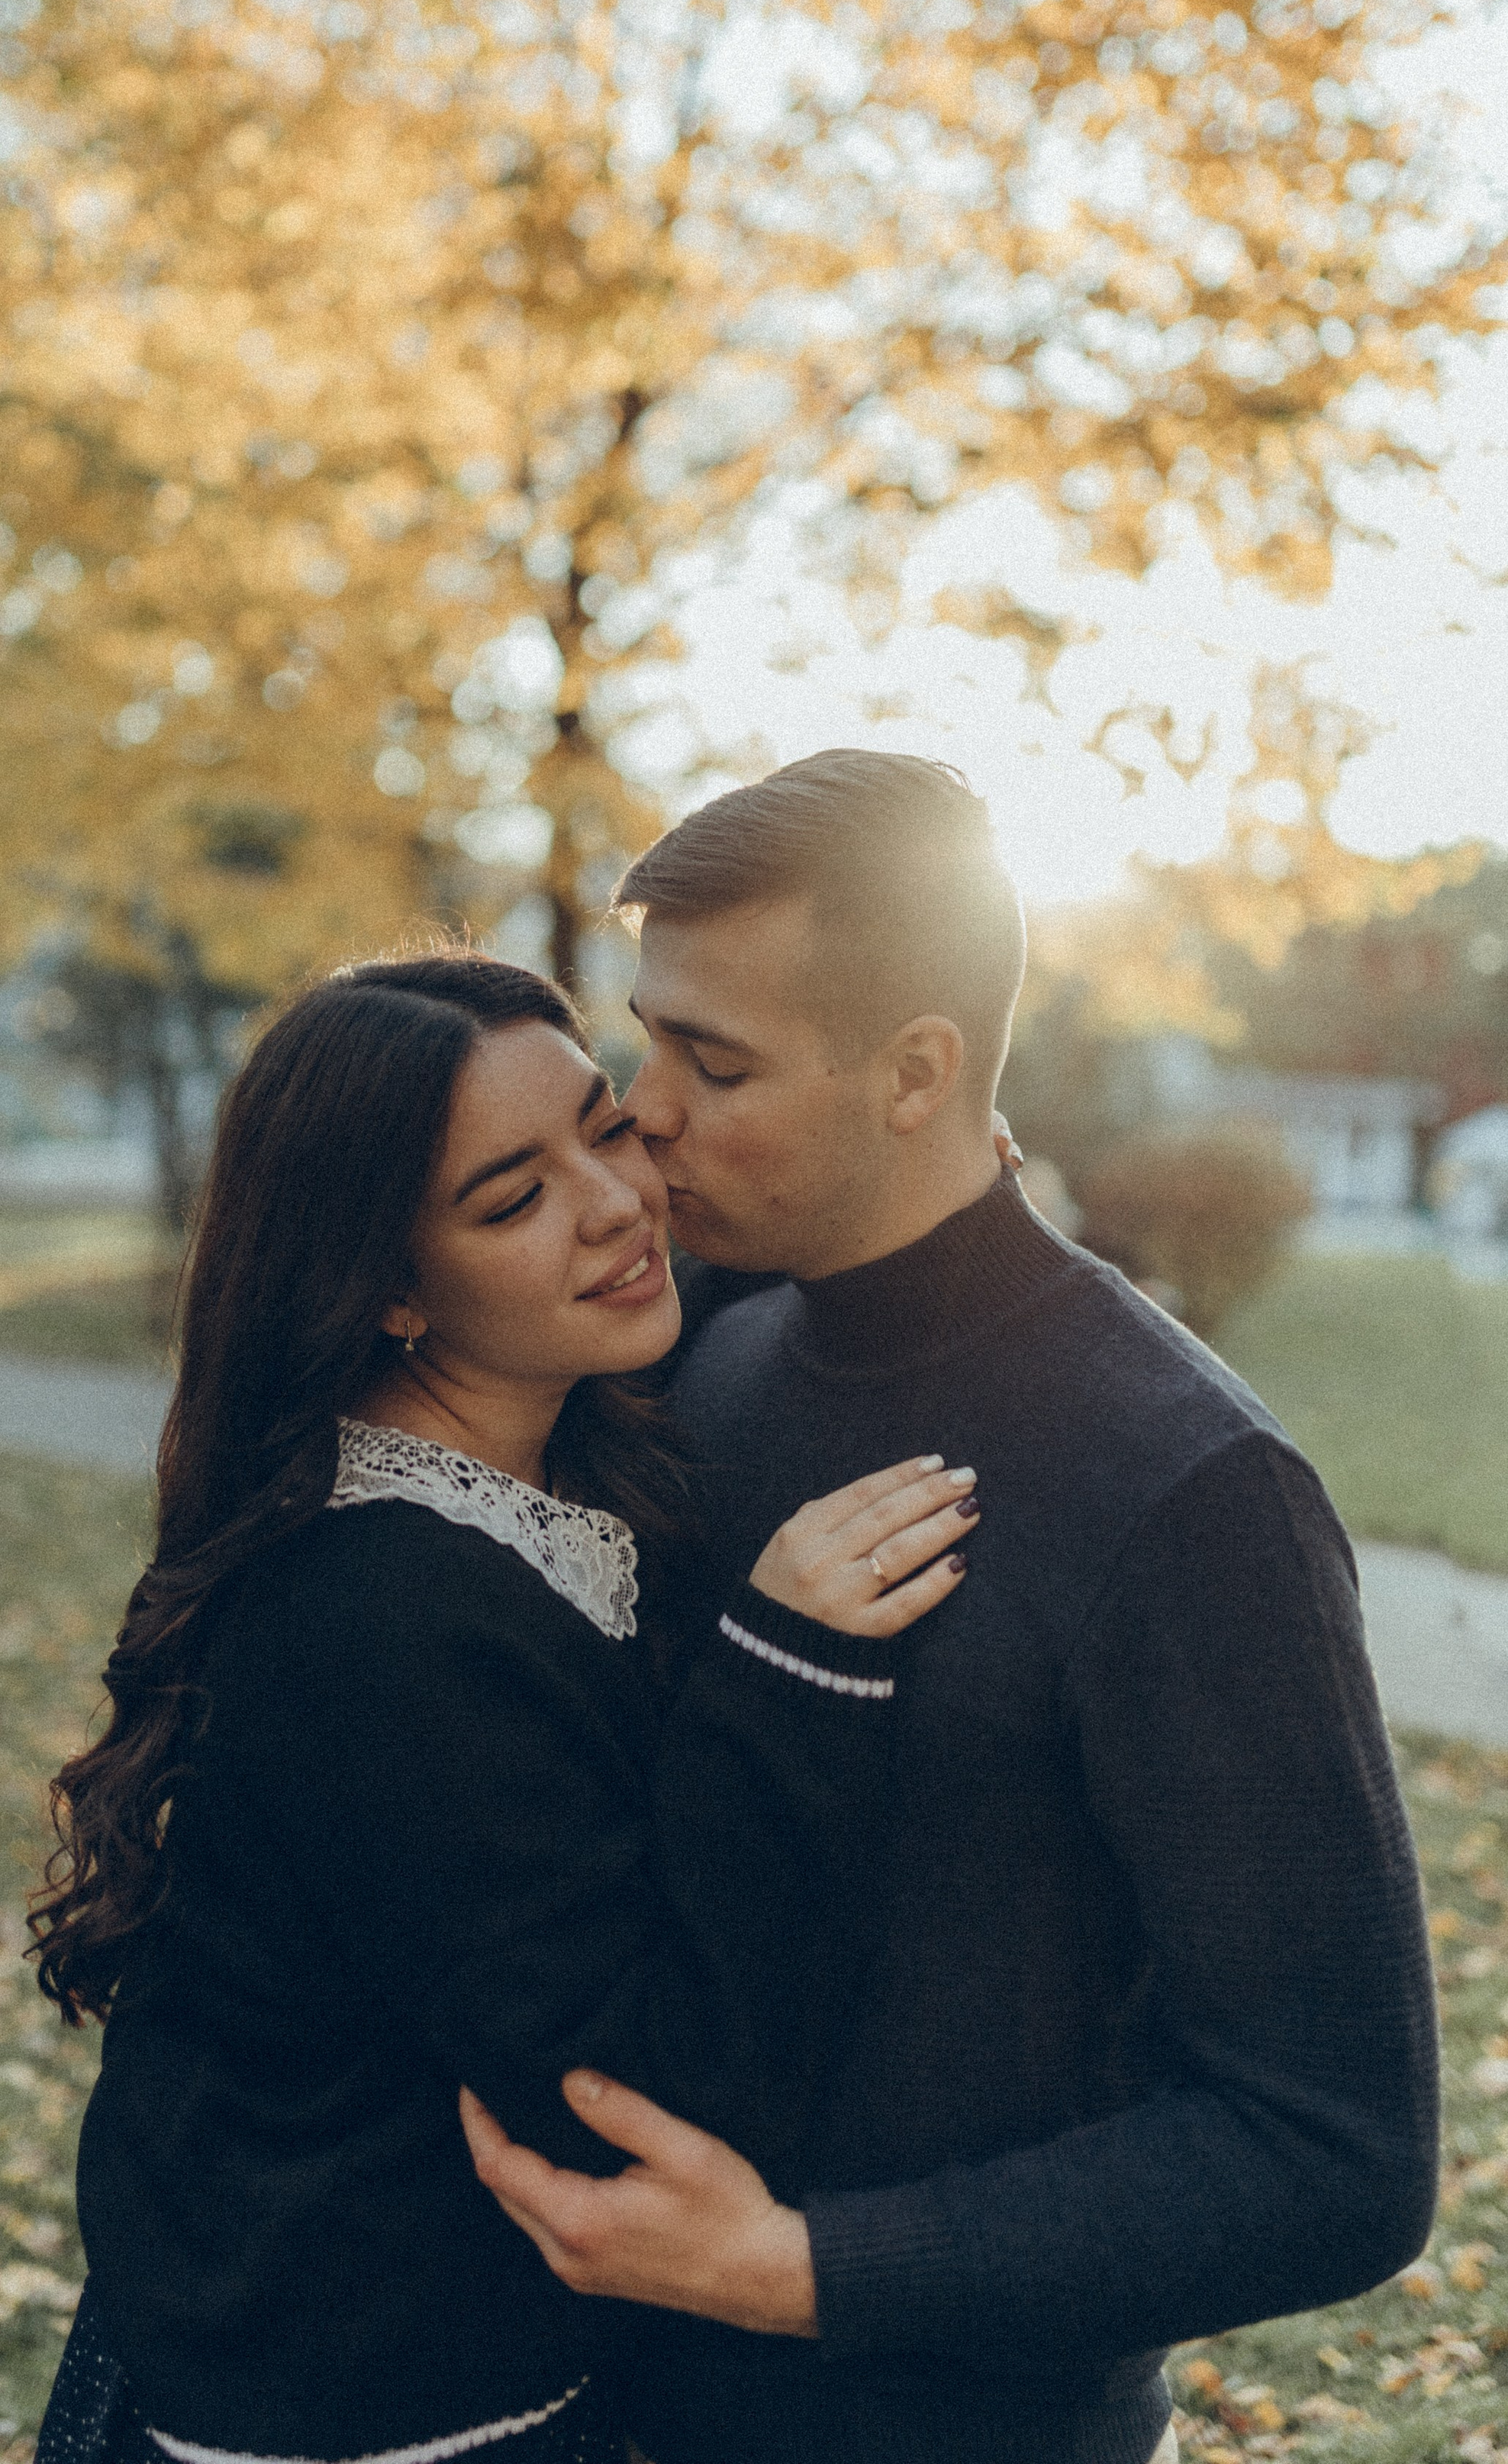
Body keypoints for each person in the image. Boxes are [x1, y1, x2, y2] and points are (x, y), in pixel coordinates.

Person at [462, 750, 1439, 2464]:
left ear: (916, 1072)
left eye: (715, 1060)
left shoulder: (1189, 1490)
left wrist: (802, 2271)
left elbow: (1330, 2147)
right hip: (585, 2394)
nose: (644, 1109)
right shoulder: (696, 1345)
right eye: (647, 1036)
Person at [26, 950, 981, 2464]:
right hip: (357, 2418)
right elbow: (631, 2091)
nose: (612, 1205)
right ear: (389, 1287)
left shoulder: (519, 1468)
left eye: (603, 1130)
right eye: (507, 1198)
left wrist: (913, 1196)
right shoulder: (386, 1618)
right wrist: (787, 1674)